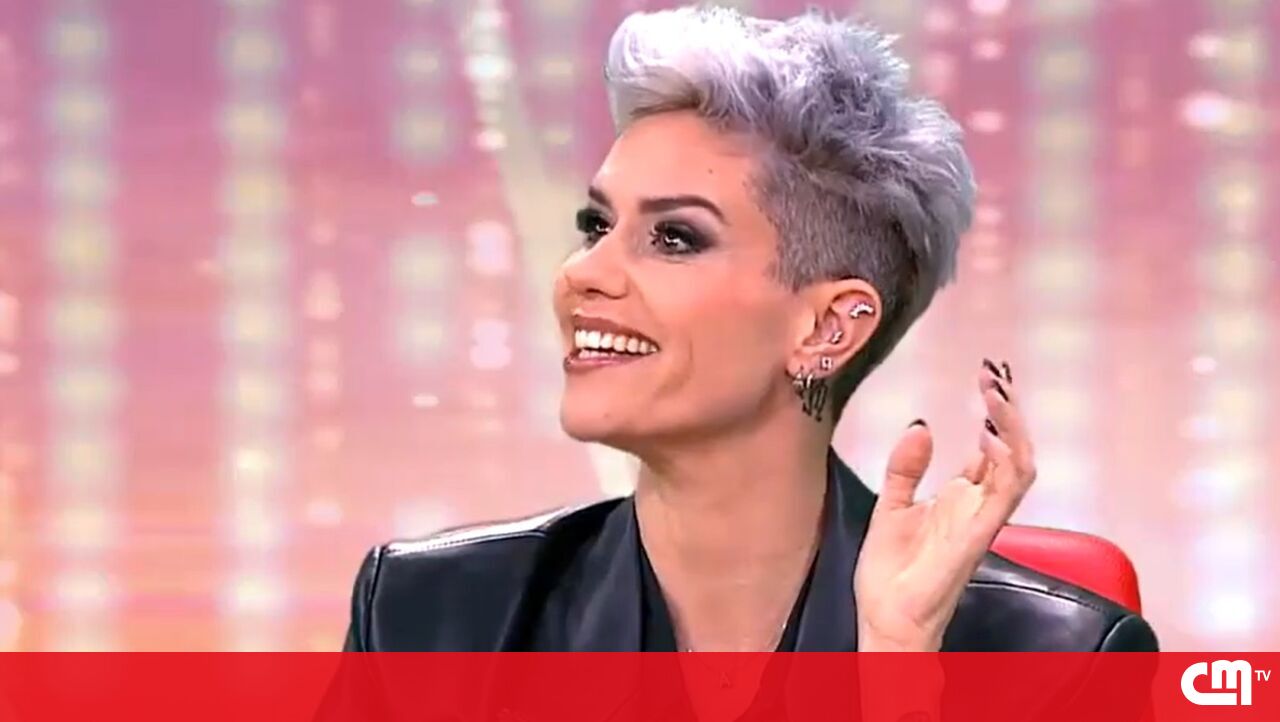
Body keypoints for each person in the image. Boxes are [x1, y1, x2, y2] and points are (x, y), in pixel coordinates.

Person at [342, 5, 1157, 656]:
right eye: (597, 225)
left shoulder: (1057, 658)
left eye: (674, 238)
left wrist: (895, 668)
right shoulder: (429, 618)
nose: (582, 272)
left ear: (828, 327)